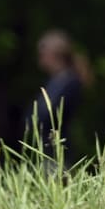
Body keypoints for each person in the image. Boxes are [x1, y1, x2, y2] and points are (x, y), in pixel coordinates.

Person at [29, 29, 91, 160]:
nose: (39, 57)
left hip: (57, 150)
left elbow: (48, 115)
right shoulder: (55, 81)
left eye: (42, 53)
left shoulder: (69, 82)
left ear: (55, 55)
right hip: (46, 148)